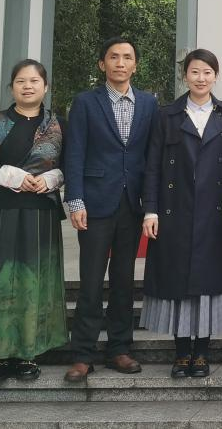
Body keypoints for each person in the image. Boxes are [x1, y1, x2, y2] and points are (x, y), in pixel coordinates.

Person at [62, 36, 158, 382]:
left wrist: (151, 205)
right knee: (90, 281)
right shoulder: (86, 102)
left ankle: (119, 348)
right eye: (114, 57)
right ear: (102, 64)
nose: (120, 63)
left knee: (123, 280)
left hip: (131, 205)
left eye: (127, 57)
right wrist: (75, 200)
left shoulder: (148, 103)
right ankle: (83, 354)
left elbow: (151, 157)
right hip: (95, 203)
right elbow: (74, 153)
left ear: (135, 65)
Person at [0, 58, 68, 381]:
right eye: (21, 81)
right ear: (12, 87)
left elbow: (71, 162)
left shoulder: (58, 125)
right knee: (1, 281)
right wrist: (9, 175)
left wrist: (52, 178)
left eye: (34, 81)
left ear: (45, 87)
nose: (28, 86)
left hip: (41, 213)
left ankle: (28, 354)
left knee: (35, 283)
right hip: (2, 209)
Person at [141, 48, 222, 379]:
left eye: (207, 72)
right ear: (185, 76)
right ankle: (182, 352)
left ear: (216, 76)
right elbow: (152, 166)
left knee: (207, 283)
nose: (201, 78)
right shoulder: (167, 115)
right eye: (195, 72)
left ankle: (202, 353)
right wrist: (150, 210)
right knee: (177, 283)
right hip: (175, 211)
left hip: (212, 213)